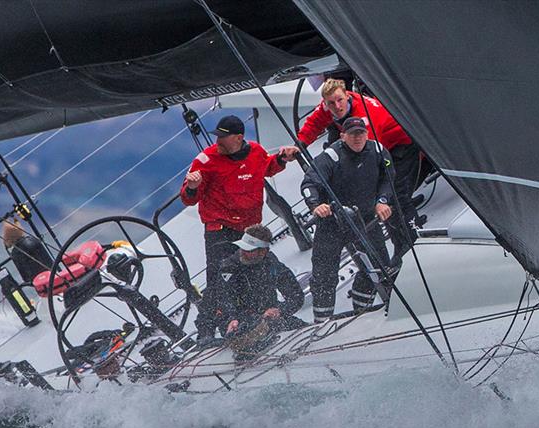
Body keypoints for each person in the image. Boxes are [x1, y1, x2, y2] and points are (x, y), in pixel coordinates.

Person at [296, 78, 422, 264]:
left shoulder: (366, 118)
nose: (337, 106)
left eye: (340, 100)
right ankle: (399, 242)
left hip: (398, 147)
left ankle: (414, 241)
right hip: (378, 148)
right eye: (331, 103)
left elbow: (368, 157)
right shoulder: (329, 106)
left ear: (347, 95)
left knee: (395, 197)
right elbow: (313, 124)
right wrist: (299, 145)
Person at [180, 114, 299, 297]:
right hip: (220, 229)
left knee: (258, 272)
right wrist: (192, 187)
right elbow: (188, 200)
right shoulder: (205, 161)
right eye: (217, 136)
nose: (217, 140)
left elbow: (268, 168)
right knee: (220, 277)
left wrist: (282, 158)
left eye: (222, 137)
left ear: (238, 138)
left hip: (250, 229)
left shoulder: (256, 151)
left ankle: (269, 312)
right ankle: (217, 318)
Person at [301, 117, 393, 323]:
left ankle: (363, 310)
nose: (357, 138)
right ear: (343, 136)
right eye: (352, 134)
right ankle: (321, 322)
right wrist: (316, 205)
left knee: (381, 266)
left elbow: (388, 179)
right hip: (332, 222)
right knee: (324, 276)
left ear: (367, 134)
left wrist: (382, 201)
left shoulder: (378, 151)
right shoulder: (330, 156)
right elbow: (309, 183)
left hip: (365, 220)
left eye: (361, 133)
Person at [195, 224, 305, 340]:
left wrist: (280, 310)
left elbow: (296, 296)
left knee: (301, 328)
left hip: (271, 319)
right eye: (242, 247)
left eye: (249, 250)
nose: (243, 252)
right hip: (240, 325)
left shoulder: (272, 263)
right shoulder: (228, 269)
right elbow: (224, 300)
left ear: (263, 251)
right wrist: (231, 320)